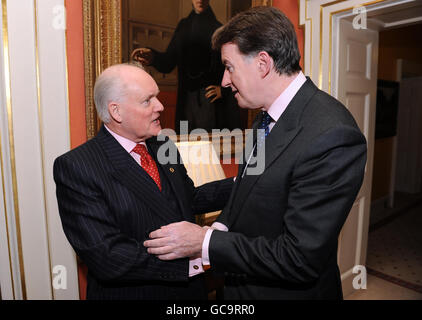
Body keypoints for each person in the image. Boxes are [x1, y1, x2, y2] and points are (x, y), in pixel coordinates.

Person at [143, 7, 367, 300]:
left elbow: (299, 257)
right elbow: (246, 188)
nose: (224, 80)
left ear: (263, 63)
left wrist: (205, 241)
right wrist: (221, 226)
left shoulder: (333, 135)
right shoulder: (264, 117)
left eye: (229, 66)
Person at [53, 63, 233, 300]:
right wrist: (195, 261)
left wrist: (245, 182)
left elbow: (187, 198)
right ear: (116, 111)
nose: (159, 107)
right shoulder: (78, 167)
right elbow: (108, 256)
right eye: (147, 101)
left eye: (156, 97)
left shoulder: (162, 145)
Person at [131, 0, 241, 133]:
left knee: (207, 146)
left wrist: (222, 90)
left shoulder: (218, 28)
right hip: (186, 100)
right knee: (185, 145)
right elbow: (168, 62)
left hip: (209, 101)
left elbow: (232, 66)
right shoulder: (183, 26)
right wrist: (153, 57)